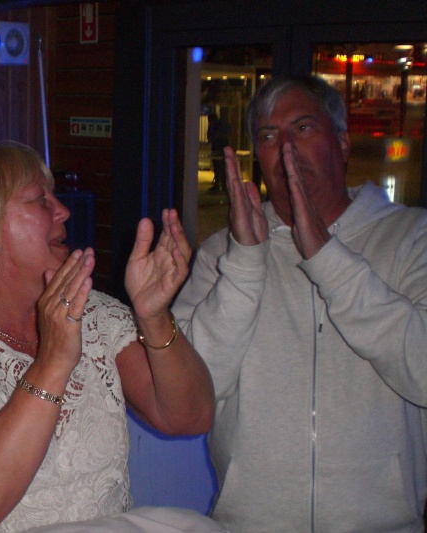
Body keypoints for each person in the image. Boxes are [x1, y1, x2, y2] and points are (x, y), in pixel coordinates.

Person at [0, 142, 215, 532]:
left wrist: (153, 317)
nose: (64, 210)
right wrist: (52, 363)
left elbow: (190, 417)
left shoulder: (97, 314)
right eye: (40, 200)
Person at [172, 74, 427, 531]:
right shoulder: (223, 253)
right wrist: (247, 260)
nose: (285, 148)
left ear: (343, 142)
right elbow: (190, 393)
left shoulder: (412, 238)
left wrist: (328, 259)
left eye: (304, 128)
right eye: (269, 136)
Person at [206, 113, 230, 193]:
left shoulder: (221, 126)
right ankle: (217, 185)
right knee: (217, 168)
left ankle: (223, 186)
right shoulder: (213, 127)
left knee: (222, 168)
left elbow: (221, 136)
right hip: (216, 148)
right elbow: (209, 137)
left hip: (221, 148)